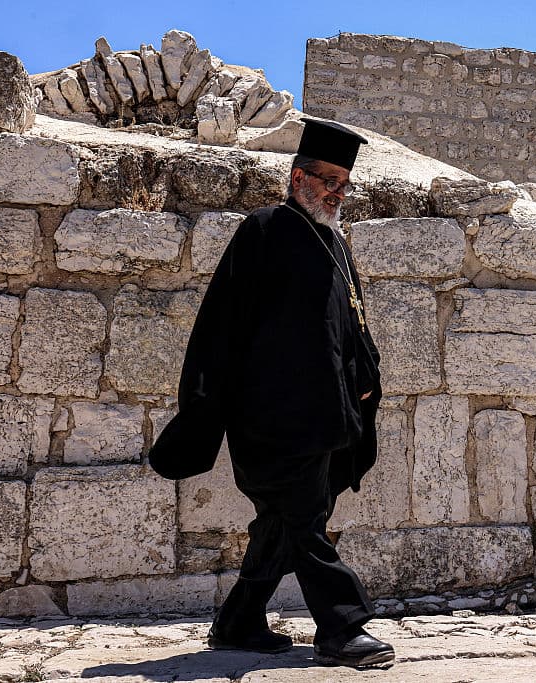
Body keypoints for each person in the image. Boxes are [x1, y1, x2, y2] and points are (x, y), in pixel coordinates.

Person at [148, 119, 393, 668]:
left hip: (328, 415)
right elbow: (220, 328)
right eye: (327, 178)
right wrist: (207, 406)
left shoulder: (334, 241)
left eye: (343, 182)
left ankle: (238, 622)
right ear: (296, 176)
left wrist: (366, 382)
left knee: (282, 525)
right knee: (306, 522)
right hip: (273, 417)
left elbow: (348, 326)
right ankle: (341, 628)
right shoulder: (263, 230)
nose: (336, 190)